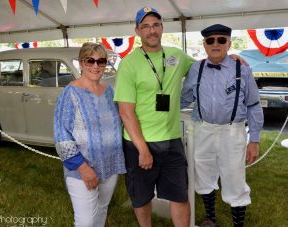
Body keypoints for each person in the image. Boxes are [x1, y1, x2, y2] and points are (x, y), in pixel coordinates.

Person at [114, 6, 195, 227]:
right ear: (137, 31)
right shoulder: (129, 63)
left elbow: (202, 69)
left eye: (156, 25)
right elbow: (125, 111)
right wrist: (142, 149)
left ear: (162, 27)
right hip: (140, 142)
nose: (152, 30)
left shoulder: (177, 55)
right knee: (141, 197)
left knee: (179, 195)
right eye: (146, 26)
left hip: (172, 140)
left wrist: (229, 57)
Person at [180, 24, 264, 227]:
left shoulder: (242, 69)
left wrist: (254, 139)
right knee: (204, 173)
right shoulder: (196, 68)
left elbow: (253, 105)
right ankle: (210, 218)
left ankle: (238, 224)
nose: (215, 44)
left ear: (229, 43)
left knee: (234, 178)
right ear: (204, 44)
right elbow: (184, 99)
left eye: (221, 40)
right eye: (210, 40)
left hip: (232, 131)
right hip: (204, 129)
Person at [54, 42, 126, 227]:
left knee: (101, 210)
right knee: (85, 221)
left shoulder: (109, 91)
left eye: (101, 61)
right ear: (81, 63)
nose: (95, 66)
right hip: (82, 168)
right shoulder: (70, 94)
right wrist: (83, 169)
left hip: (110, 164)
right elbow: (62, 138)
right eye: (90, 61)